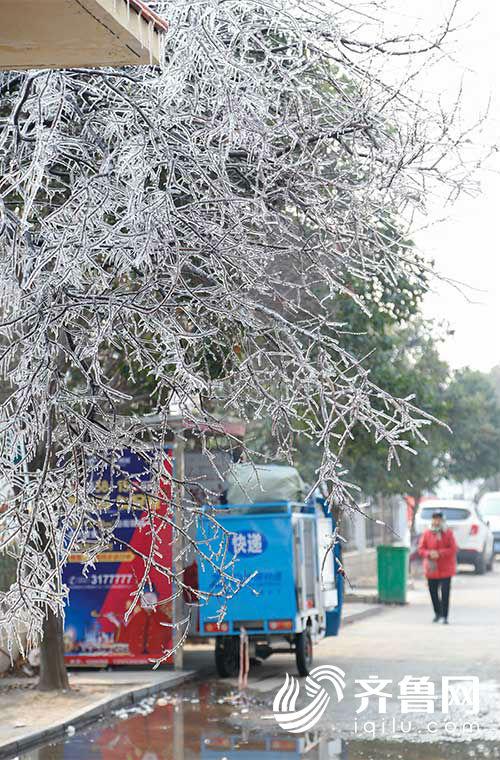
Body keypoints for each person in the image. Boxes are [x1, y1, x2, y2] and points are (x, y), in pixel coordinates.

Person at [418, 510, 457, 624]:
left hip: (446, 568)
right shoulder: (427, 533)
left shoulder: (448, 533)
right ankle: (437, 613)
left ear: (442, 520)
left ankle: (445, 616)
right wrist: (429, 554)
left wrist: (439, 553)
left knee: (445, 593)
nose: (437, 521)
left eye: (439, 518)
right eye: (435, 518)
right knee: (433, 592)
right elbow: (421, 549)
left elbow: (453, 549)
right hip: (432, 569)